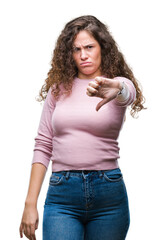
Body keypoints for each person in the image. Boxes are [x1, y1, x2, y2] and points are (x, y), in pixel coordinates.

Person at [19, 15, 145, 240]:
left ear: (102, 48)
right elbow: (43, 144)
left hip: (109, 194)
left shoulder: (114, 84)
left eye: (89, 47)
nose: (83, 55)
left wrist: (116, 88)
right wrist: (30, 203)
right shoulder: (58, 90)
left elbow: (128, 93)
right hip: (62, 195)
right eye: (76, 49)